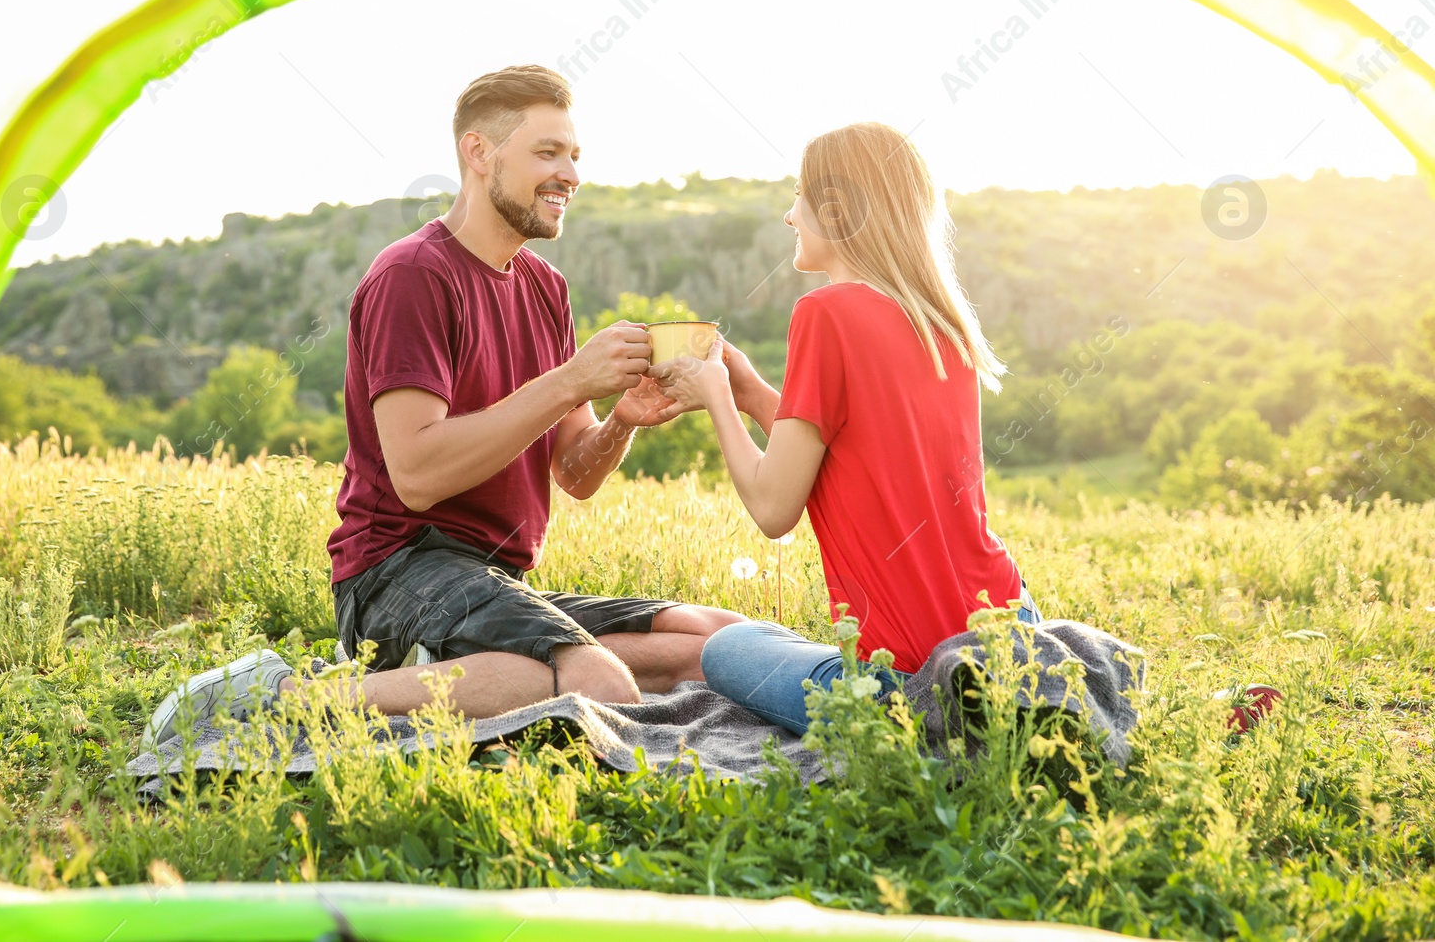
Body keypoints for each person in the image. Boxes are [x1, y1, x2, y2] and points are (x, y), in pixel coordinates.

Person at [142, 65, 743, 750]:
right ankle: (285, 695)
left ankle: (470, 672)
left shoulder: (547, 288)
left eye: (574, 156)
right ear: (478, 152)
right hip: (398, 568)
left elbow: (574, 471)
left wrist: (623, 420)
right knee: (599, 684)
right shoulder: (414, 275)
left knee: (709, 638)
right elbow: (418, 473)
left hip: (492, 575)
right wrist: (570, 381)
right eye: (547, 153)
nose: (569, 174)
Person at [651, 121, 1041, 736]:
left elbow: (774, 507)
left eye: (798, 197)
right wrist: (753, 392)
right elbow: (858, 453)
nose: (788, 216)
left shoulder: (825, 313)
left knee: (726, 650)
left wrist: (718, 398)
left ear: (833, 210)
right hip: (1013, 632)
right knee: (751, 643)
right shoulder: (939, 318)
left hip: (909, 678)